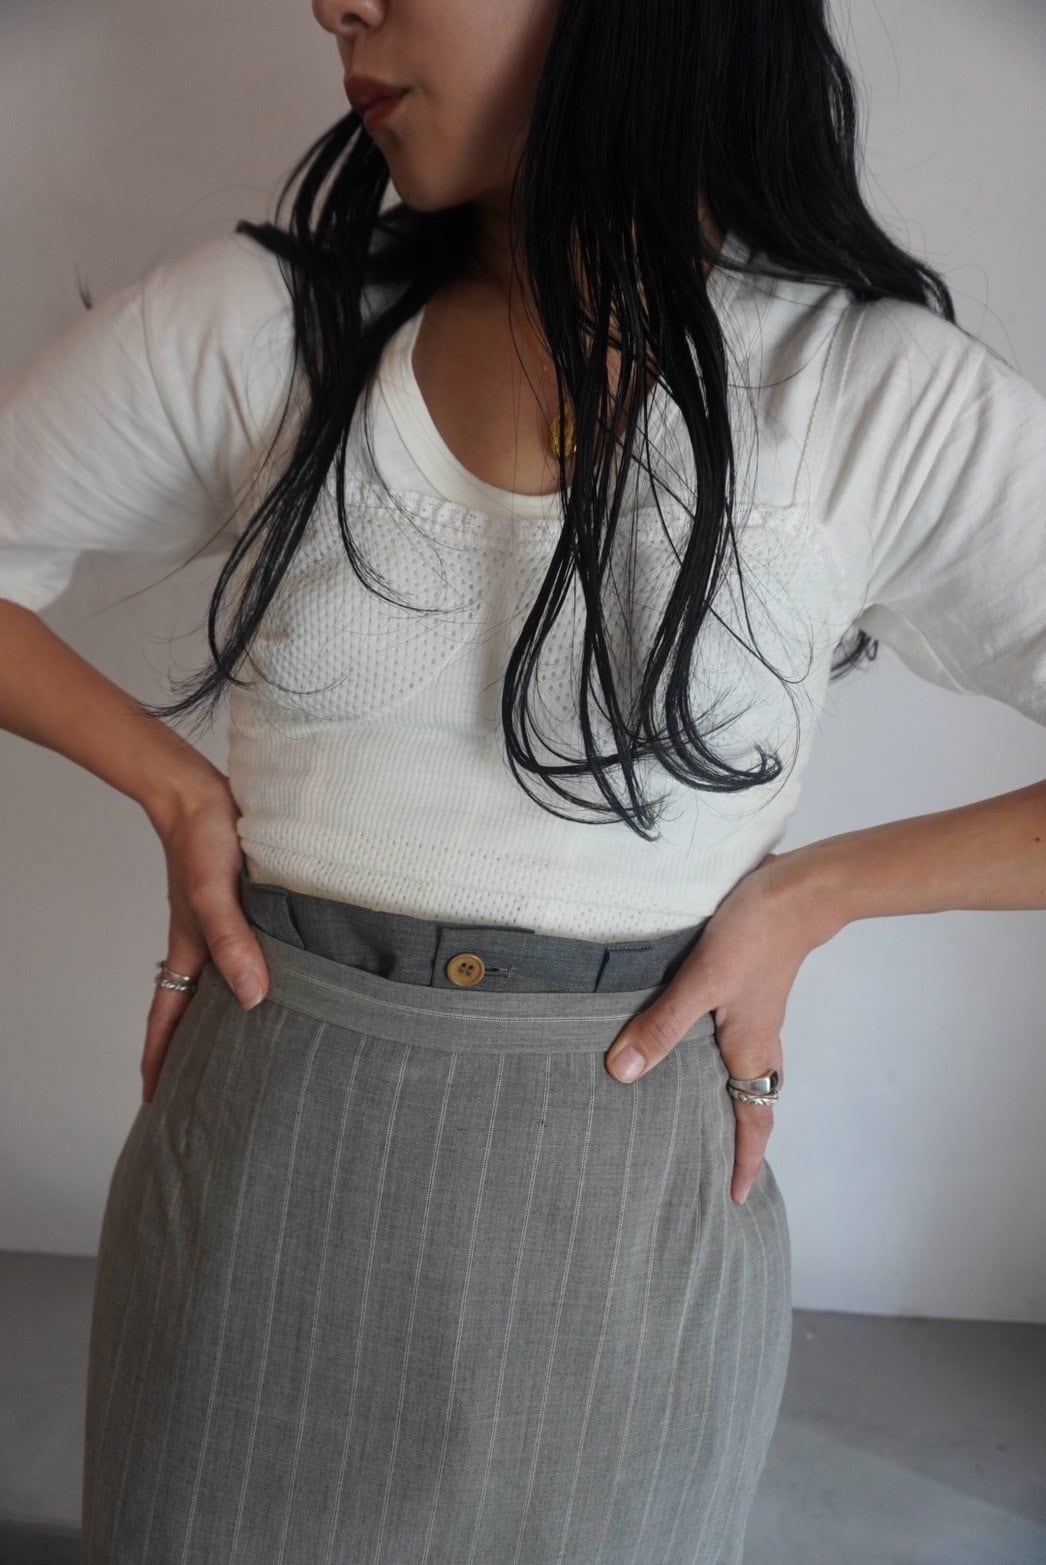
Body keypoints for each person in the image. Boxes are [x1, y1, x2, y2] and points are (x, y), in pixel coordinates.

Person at [1, 0, 1044, 1560]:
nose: (336, 1)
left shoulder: (866, 392)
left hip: (622, 1244)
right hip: (257, 1203)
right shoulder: (268, 328)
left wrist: (810, 897)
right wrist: (173, 788)